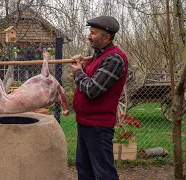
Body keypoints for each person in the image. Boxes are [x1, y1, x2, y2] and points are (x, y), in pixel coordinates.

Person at [70, 16, 128, 180]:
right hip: (85, 123)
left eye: (93, 33)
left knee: (104, 174)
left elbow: (91, 89)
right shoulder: (97, 57)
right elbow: (85, 82)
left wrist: (78, 72)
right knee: (84, 170)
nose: (89, 36)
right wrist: (81, 69)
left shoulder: (114, 59)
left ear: (106, 37)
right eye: (90, 32)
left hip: (98, 126)